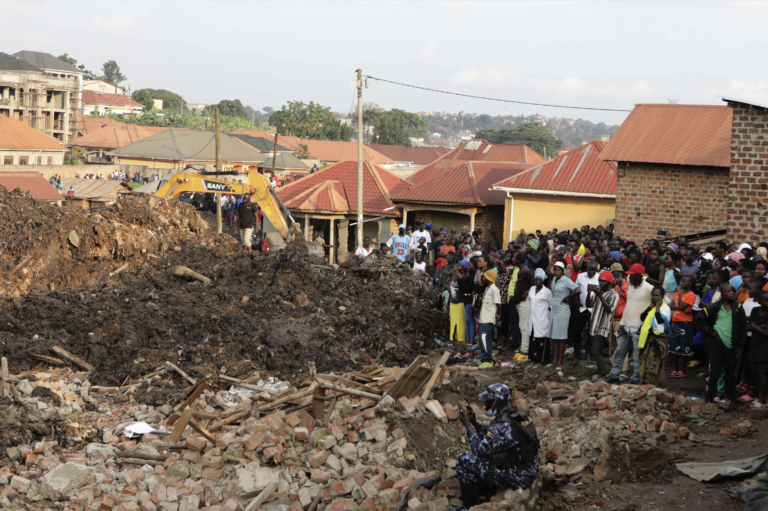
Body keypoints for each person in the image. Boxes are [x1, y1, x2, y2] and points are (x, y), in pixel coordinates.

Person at [454, 384, 539, 510]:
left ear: (496, 402)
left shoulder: (500, 427)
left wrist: (467, 425)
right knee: (487, 456)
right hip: (528, 469)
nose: (485, 405)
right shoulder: (514, 414)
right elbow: (492, 435)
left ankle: (470, 505)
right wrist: (475, 423)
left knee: (463, 459)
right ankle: (483, 495)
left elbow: (479, 450)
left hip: (519, 476)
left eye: (487, 402)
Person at [606, 264, 654, 385]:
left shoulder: (649, 288)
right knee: (619, 352)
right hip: (626, 325)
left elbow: (664, 301)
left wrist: (649, 313)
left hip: (638, 327)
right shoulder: (630, 287)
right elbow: (628, 306)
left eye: (632, 275)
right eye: (629, 275)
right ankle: (615, 374)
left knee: (637, 355)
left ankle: (636, 378)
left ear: (640, 276)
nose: (629, 277)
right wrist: (622, 323)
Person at [695, 282, 741, 404]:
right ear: (721, 293)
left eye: (732, 291)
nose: (731, 293)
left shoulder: (738, 308)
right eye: (728, 291)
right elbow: (698, 319)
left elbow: (742, 327)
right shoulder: (714, 307)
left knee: (730, 373)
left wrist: (740, 346)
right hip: (716, 343)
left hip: (732, 344)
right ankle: (709, 398)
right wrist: (709, 331)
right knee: (714, 373)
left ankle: (729, 398)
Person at [587, 271, 619, 378]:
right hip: (593, 325)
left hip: (603, 326)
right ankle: (601, 373)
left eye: (603, 282)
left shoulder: (613, 294)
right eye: (600, 281)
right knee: (597, 352)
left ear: (609, 282)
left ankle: (603, 375)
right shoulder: (597, 292)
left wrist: (600, 296)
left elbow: (609, 309)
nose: (601, 283)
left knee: (595, 351)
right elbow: (588, 304)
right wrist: (588, 293)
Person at [549, 261, 581, 369]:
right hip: (554, 309)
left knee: (561, 336)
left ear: (562, 271)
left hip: (562, 309)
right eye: (555, 270)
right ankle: (555, 359)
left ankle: (560, 361)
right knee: (555, 335)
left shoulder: (566, 280)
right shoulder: (554, 279)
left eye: (558, 270)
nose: (556, 272)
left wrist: (568, 297)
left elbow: (578, 290)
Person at [638, 286, 672, 386]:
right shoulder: (651, 306)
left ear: (662, 296)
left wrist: (657, 307)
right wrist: (650, 307)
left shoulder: (665, 308)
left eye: (657, 295)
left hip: (660, 339)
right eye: (653, 295)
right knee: (646, 360)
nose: (655, 297)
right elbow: (642, 317)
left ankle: (657, 384)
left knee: (656, 361)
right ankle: (646, 383)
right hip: (649, 338)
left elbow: (660, 320)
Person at [668, 275, 696, 378]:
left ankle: (682, 370)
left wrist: (679, 295)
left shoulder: (691, 295)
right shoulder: (678, 294)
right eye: (681, 281)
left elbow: (680, 306)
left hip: (685, 323)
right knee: (674, 346)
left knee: (685, 346)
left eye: (684, 281)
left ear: (690, 283)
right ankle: (675, 369)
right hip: (675, 321)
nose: (681, 283)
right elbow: (671, 305)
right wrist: (681, 308)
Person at [572, 260, 599, 359]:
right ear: (586, 268)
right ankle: (576, 352)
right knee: (576, 331)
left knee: (591, 333)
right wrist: (576, 300)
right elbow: (576, 289)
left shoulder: (599, 277)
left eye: (593, 270)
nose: (591, 272)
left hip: (593, 309)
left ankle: (591, 353)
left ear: (596, 269)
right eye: (589, 269)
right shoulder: (581, 276)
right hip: (582, 308)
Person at [746, 291, 768, 406]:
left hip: (765, 348)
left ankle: (762, 398)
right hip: (754, 345)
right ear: (759, 301)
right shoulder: (755, 311)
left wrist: (754, 326)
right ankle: (760, 393)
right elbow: (747, 327)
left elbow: (766, 333)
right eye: (765, 300)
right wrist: (760, 327)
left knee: (763, 372)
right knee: (755, 370)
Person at [528, 268, 553, 365]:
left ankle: (541, 360)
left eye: (539, 280)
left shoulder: (547, 292)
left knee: (541, 340)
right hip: (533, 319)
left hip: (542, 319)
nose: (537, 281)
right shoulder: (532, 289)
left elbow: (551, 306)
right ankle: (533, 360)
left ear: (543, 280)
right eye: (536, 279)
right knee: (533, 338)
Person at [478, 269, 500, 368]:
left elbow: (499, 305)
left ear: (489, 278)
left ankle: (487, 360)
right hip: (483, 318)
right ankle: (484, 358)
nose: (482, 278)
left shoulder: (494, 289)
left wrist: (498, 319)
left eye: (484, 277)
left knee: (485, 339)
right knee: (483, 339)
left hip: (488, 319)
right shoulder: (487, 289)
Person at [448, 261, 469, 341]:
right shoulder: (454, 275)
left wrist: (460, 278)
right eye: (457, 264)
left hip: (460, 301)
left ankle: (460, 338)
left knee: (460, 321)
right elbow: (448, 276)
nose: (457, 266)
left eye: (459, 265)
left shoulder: (464, 276)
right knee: (453, 321)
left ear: (463, 268)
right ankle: (452, 338)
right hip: (452, 301)